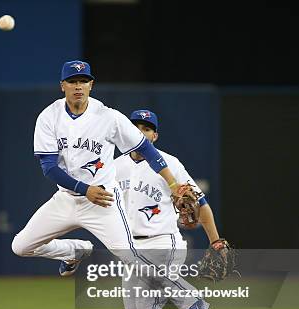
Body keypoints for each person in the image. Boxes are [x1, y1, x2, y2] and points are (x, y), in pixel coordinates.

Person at [11, 60, 190, 277]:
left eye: (83, 81)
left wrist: (173, 184)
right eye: (72, 81)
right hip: (67, 198)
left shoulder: (109, 117)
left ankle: (190, 300)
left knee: (132, 256)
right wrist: (85, 189)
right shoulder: (49, 117)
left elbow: (147, 149)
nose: (78, 86)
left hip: (103, 201)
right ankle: (73, 251)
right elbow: (49, 167)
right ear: (62, 86)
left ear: (91, 85)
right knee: (21, 246)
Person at [114, 109, 222, 309]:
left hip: (163, 241)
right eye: (135, 126)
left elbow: (201, 204)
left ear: (155, 135)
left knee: (148, 308)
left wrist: (215, 240)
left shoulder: (170, 164)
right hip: (132, 249)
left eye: (147, 128)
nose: (141, 132)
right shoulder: (116, 166)